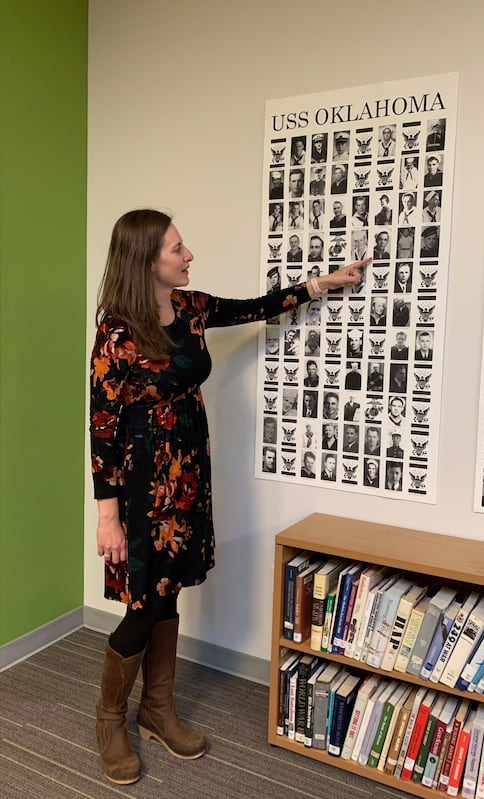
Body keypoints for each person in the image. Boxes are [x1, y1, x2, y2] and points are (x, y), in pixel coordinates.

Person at [89, 209, 367, 784]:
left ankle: (156, 709)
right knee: (143, 603)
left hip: (189, 471)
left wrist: (323, 284)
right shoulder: (116, 332)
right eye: (177, 248)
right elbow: (102, 426)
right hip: (143, 485)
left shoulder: (191, 309)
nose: (188, 255)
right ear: (147, 261)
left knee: (167, 591)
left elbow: (254, 309)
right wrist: (107, 514)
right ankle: (110, 717)